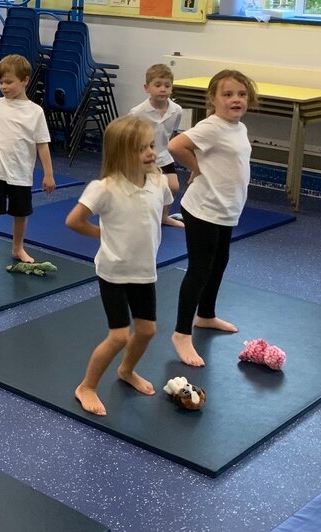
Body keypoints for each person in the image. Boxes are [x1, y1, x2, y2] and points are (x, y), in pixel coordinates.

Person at [66, 115, 172, 416]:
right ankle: (87, 386)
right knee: (119, 336)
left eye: (151, 146)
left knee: (147, 331)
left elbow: (159, 209)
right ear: (120, 154)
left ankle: (126, 370)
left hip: (144, 271)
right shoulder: (105, 188)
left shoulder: (158, 181)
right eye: (140, 149)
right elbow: (74, 221)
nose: (150, 153)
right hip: (113, 272)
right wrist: (103, 234)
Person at [166, 68, 256, 367]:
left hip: (225, 208)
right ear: (213, 99)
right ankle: (181, 333)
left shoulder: (238, 128)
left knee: (219, 263)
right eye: (227, 94)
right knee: (199, 269)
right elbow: (176, 146)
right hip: (203, 209)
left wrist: (202, 166)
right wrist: (197, 167)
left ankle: (205, 315)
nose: (236, 99)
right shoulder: (212, 126)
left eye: (241, 94)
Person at [0, 54, 55, 271]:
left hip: (21, 173)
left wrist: (48, 174)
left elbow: (42, 144)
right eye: (1, 82)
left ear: (25, 80)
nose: (3, 87)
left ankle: (18, 248)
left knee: (21, 214)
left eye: (9, 82)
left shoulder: (35, 112)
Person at [128, 63, 185, 227]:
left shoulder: (177, 110)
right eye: (158, 85)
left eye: (167, 86)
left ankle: (163, 216)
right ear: (147, 88)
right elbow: (128, 138)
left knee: (173, 187)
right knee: (141, 191)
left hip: (163, 156)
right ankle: (136, 217)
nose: (163, 89)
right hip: (142, 158)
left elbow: (173, 134)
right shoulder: (137, 112)